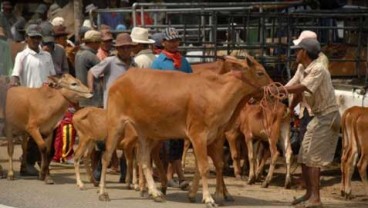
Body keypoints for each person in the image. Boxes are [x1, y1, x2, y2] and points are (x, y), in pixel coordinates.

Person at [273, 38, 340, 208]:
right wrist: (277, 94)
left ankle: (316, 199)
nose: (295, 53)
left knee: (313, 157)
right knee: (303, 155)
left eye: (298, 50)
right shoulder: (303, 68)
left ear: (305, 52)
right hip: (318, 116)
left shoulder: (318, 69)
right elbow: (293, 86)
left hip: (326, 116)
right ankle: (309, 194)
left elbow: (301, 88)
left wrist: (278, 90)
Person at [87, 33, 137, 182]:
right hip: (112, 107)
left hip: (130, 109)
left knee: (128, 140)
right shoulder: (110, 61)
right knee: (108, 140)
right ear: (118, 49)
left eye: (128, 47)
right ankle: (99, 169)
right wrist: (91, 88)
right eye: (123, 47)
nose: (126, 50)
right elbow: (91, 72)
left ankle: (124, 172)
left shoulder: (134, 65)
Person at [10, 23, 56, 176]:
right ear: (27, 38)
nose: (36, 40)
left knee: (49, 132)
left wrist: (53, 82)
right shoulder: (22, 56)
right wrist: (14, 85)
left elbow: (52, 76)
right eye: (33, 37)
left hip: (46, 99)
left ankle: (37, 162)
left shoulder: (47, 55)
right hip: (29, 100)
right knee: (33, 133)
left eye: (38, 37)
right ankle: (28, 163)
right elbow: (15, 75)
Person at [151, 27, 191, 190]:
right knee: (165, 145)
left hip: (181, 109)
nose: (174, 43)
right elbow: (153, 85)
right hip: (164, 109)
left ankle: (170, 177)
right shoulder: (158, 62)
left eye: (176, 40)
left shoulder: (184, 62)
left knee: (177, 144)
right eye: (171, 41)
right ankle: (173, 177)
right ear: (164, 42)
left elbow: (191, 81)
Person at [75, 29, 102, 108]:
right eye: (98, 42)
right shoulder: (91, 56)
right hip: (93, 98)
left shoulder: (78, 53)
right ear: (93, 42)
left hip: (82, 96)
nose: (99, 45)